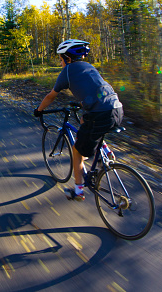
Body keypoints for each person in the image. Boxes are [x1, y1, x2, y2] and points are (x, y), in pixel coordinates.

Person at [34, 39, 124, 201]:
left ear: (67, 59)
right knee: (85, 120)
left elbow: (50, 96)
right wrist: (83, 103)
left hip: (99, 114)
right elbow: (96, 90)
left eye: (61, 59)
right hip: (117, 109)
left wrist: (38, 110)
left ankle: (78, 190)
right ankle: (105, 150)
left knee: (76, 150)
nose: (60, 63)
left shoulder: (66, 72)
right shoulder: (90, 67)